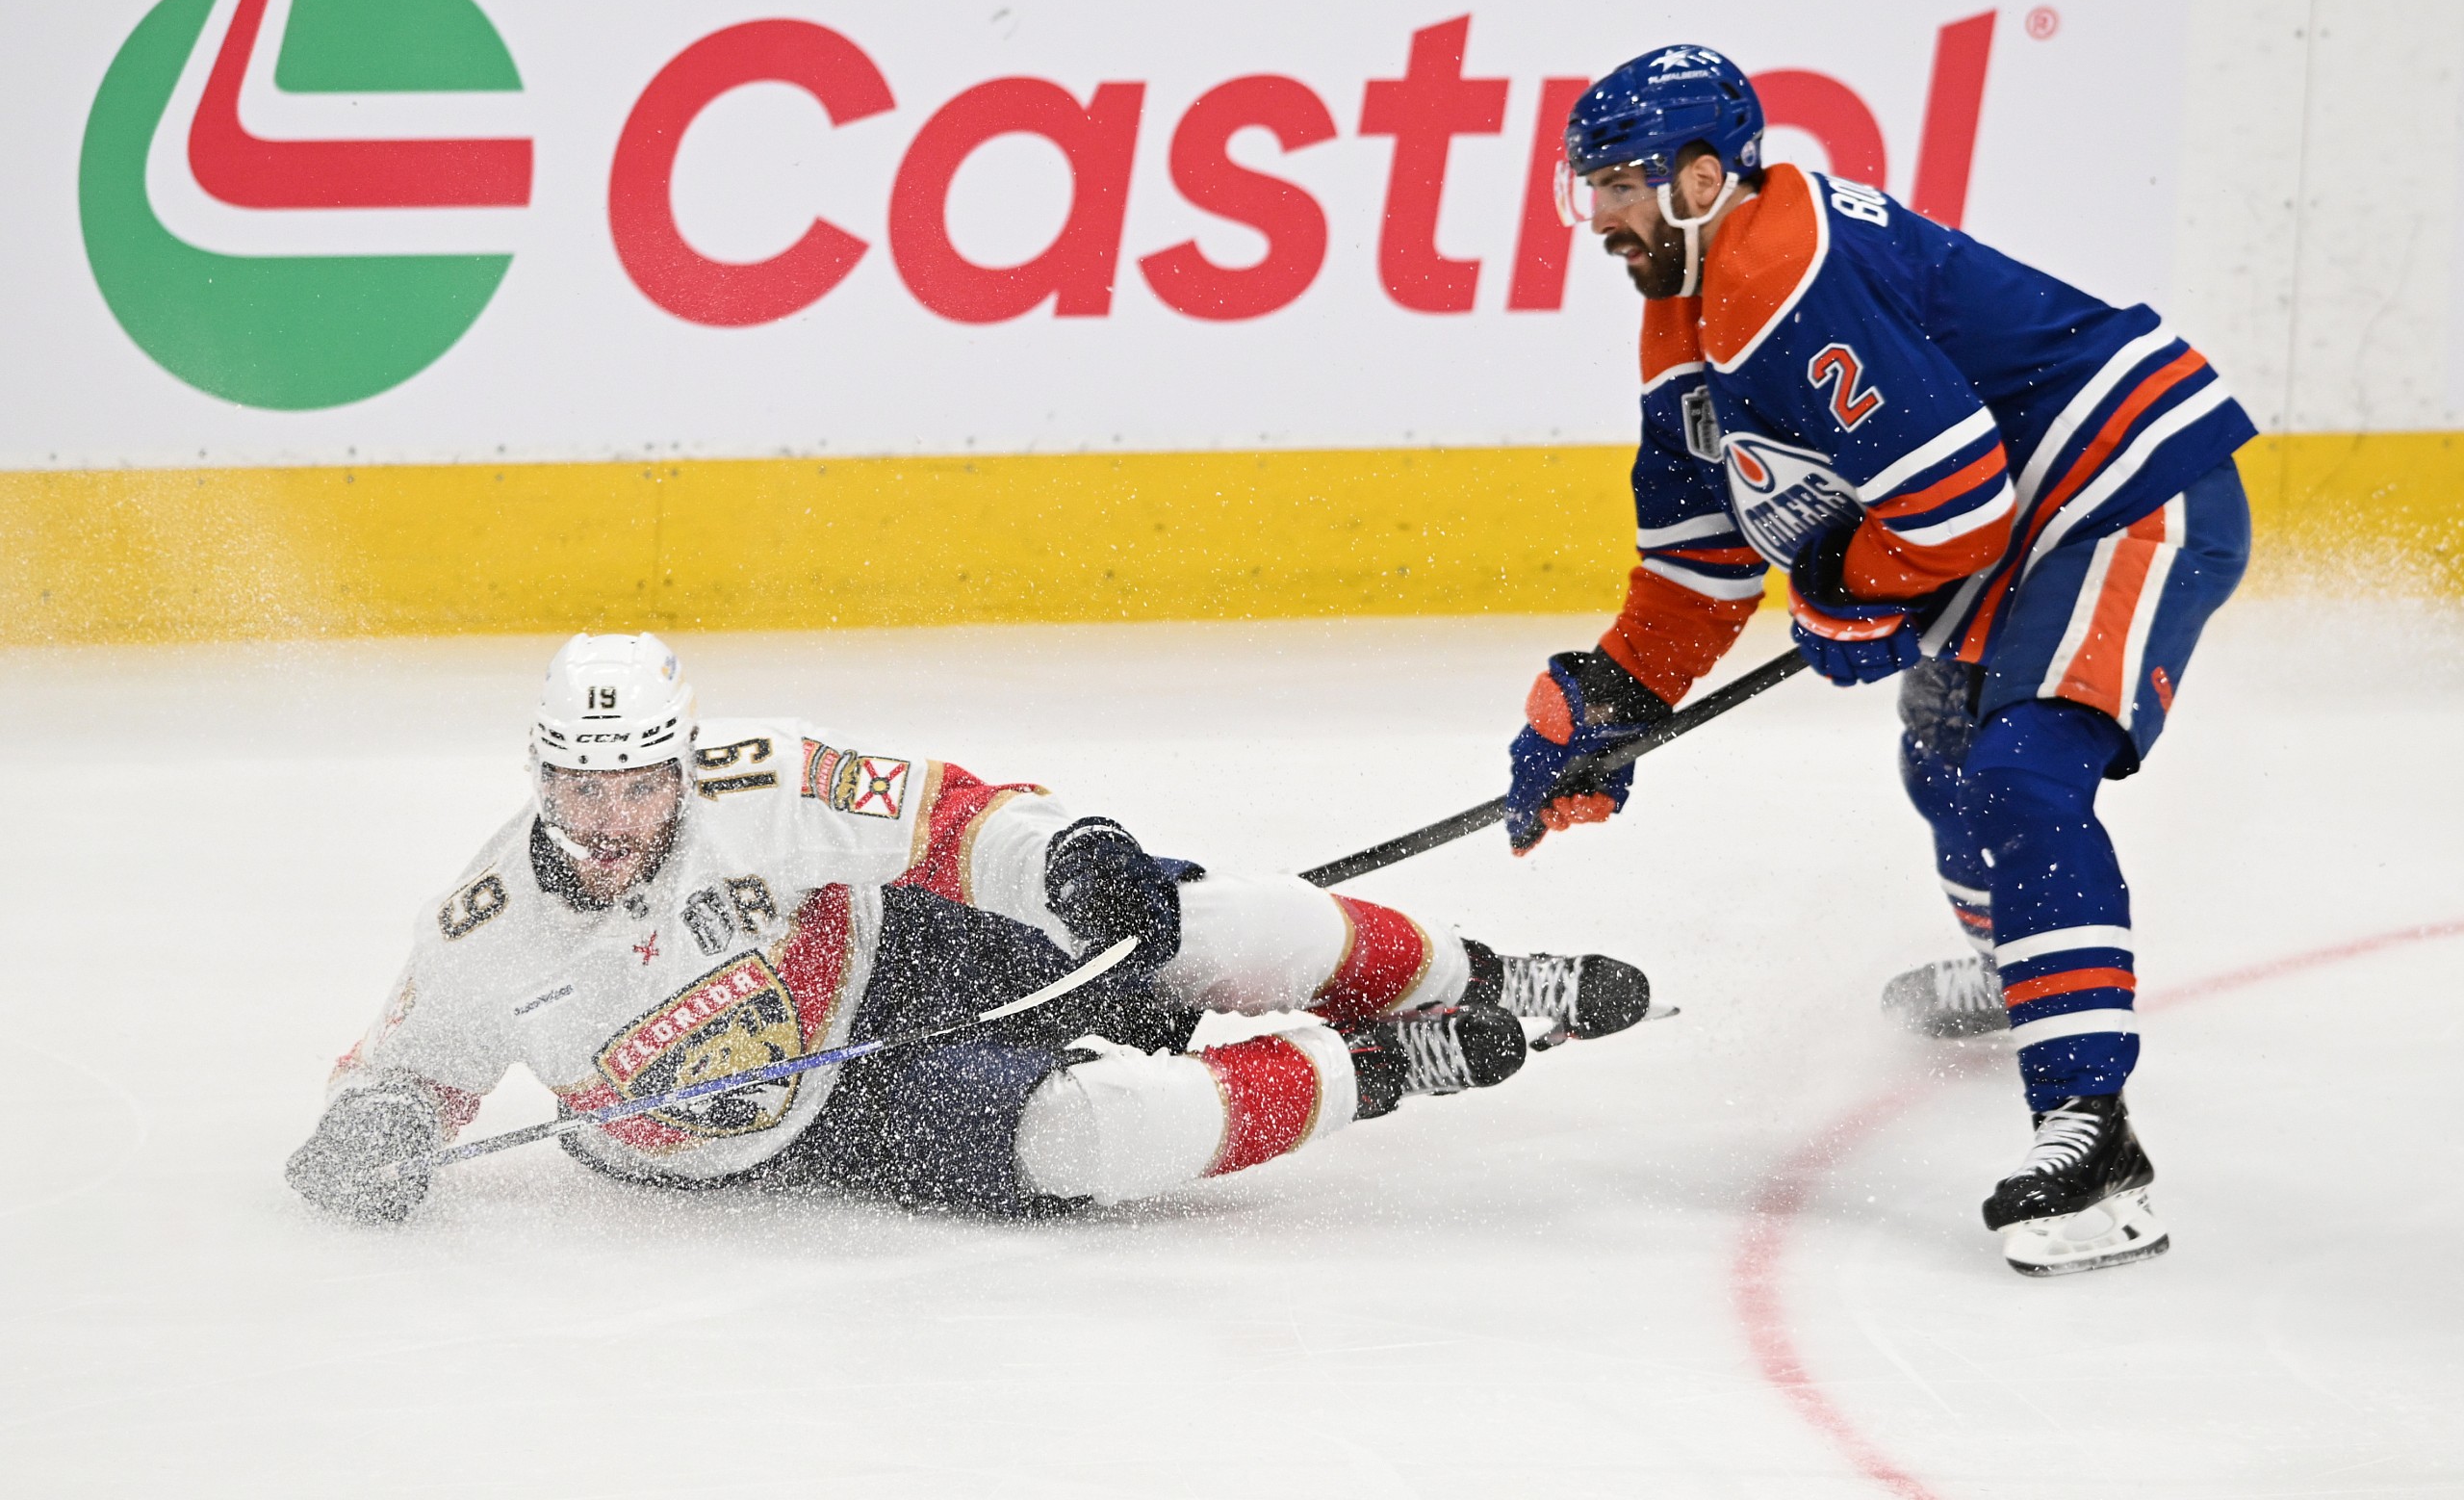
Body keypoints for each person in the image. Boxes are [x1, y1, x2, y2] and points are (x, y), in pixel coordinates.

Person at [1507, 46, 2252, 1276]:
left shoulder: (1780, 268)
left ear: (1701, 179)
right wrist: (1612, 699)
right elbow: (1701, 563)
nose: (1600, 219)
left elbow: (1953, 507)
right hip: (2016, 530)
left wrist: (1849, 590)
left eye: (1621, 188)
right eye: (1588, 190)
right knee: (1942, 759)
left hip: (2122, 493)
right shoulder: (1684, 312)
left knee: (2022, 774)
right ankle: (2025, 961)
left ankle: (2093, 1138)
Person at [289, 634, 1651, 1224]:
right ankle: (1392, 1068)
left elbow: (943, 817)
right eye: (579, 785)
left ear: (680, 764)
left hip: (893, 949)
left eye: (636, 782)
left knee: (1192, 921)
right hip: (818, 1120)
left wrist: (1073, 853)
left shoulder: (757, 779)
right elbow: (405, 1070)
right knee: (1098, 1135)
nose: (606, 817)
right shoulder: (487, 926)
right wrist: (378, 1129)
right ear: (541, 773)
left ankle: (1479, 971)